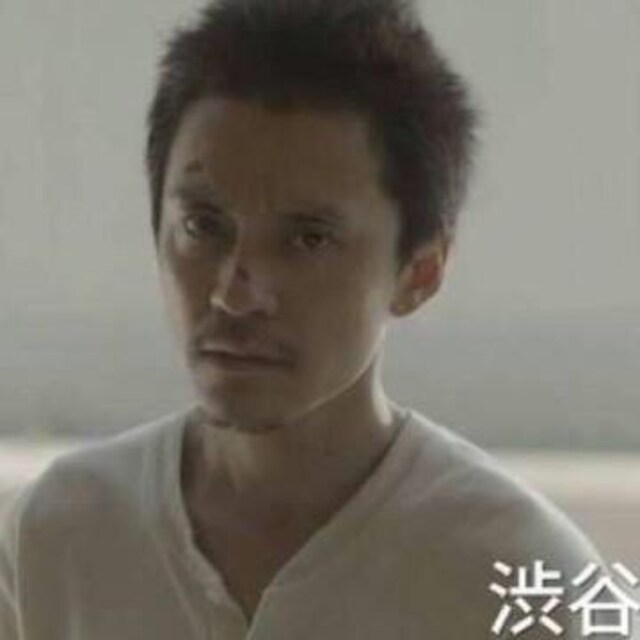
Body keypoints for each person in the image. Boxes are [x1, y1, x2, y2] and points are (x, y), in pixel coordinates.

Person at [0, 1, 623, 638]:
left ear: (420, 272)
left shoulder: (527, 578)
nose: (235, 293)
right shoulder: (63, 532)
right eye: (203, 226)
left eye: (308, 239)